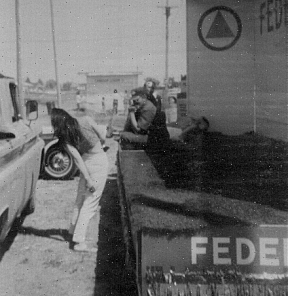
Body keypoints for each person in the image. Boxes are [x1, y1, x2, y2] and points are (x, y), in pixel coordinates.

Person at [50, 108, 109, 252]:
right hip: (98, 162)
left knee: (80, 200)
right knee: (91, 202)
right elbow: (103, 137)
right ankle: (79, 242)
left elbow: (77, 159)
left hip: (85, 163)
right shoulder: (86, 120)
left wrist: (87, 177)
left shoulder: (64, 138)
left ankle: (72, 232)